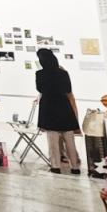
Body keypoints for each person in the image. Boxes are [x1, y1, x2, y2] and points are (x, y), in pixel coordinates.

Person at [35, 47, 83, 175]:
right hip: (64, 108)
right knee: (70, 140)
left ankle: (55, 166)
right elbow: (68, 90)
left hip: (49, 108)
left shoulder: (40, 74)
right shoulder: (63, 73)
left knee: (53, 141)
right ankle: (75, 167)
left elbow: (40, 89)